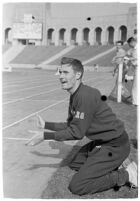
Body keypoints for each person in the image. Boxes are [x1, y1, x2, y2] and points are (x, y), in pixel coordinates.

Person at [27, 57, 137, 195]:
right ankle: (115, 162)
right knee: (75, 164)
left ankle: (126, 175)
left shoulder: (85, 96)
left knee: (77, 186)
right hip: (102, 142)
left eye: (65, 72)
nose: (60, 76)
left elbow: (76, 133)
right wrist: (46, 125)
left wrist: (45, 136)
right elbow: (72, 125)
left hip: (115, 145)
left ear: (78, 75)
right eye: (60, 72)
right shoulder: (76, 94)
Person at [126, 37, 137, 106]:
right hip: (135, 68)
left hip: (137, 67)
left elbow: (137, 58)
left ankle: (135, 102)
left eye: (129, 44)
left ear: (132, 42)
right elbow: (128, 52)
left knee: (135, 87)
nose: (129, 46)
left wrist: (129, 59)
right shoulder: (133, 49)